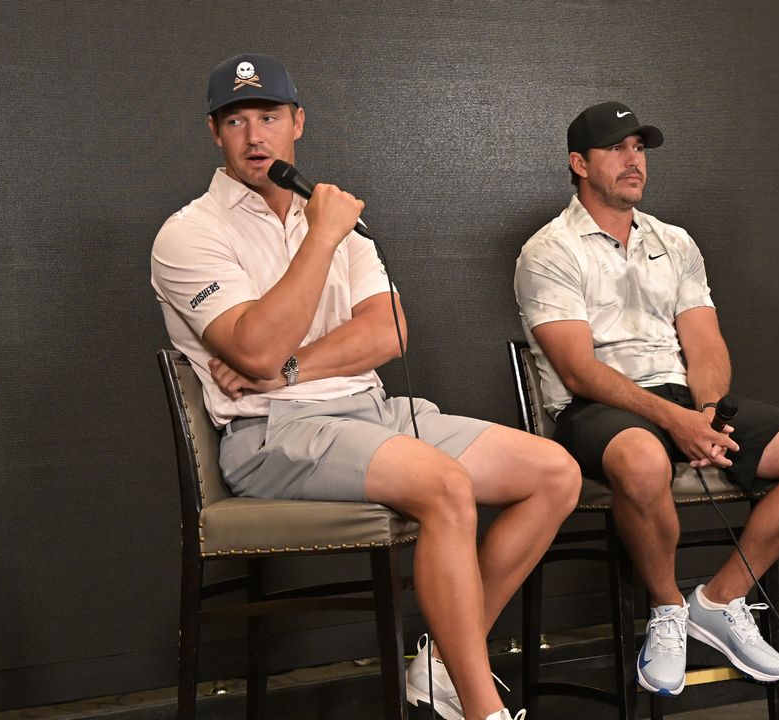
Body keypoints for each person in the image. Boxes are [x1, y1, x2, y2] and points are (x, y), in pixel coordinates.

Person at [150, 53, 579, 720]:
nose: (255, 136)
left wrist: (290, 366)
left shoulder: (332, 216)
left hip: (372, 411)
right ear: (215, 133)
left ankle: (439, 663)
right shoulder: (190, 233)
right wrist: (320, 238)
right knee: (444, 484)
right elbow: (253, 346)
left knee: (553, 472)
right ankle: (480, 710)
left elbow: (388, 333)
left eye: (269, 116)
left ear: (298, 121)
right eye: (236, 121)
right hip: (271, 434)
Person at [513, 102, 779, 696]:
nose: (632, 160)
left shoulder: (674, 241)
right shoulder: (548, 250)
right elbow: (579, 370)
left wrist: (708, 414)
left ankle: (719, 600)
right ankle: (666, 609)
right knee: (643, 460)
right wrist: (675, 422)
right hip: (594, 410)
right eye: (617, 148)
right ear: (578, 163)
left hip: (681, 402)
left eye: (639, 148)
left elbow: (705, 344)